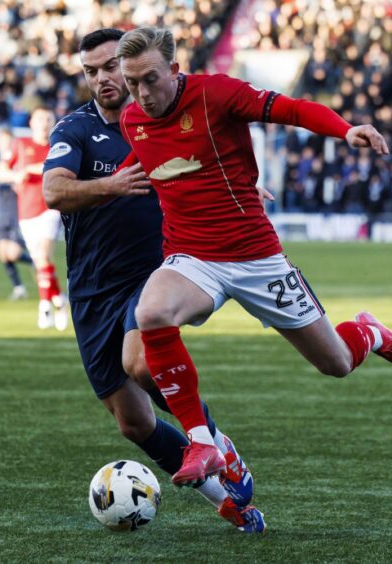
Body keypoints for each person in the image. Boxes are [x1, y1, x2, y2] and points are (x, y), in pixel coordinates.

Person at [115, 27, 392, 487]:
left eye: (150, 79)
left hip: (257, 258)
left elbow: (290, 109)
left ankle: (367, 333)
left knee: (334, 363)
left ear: (175, 71)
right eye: (132, 82)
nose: (141, 93)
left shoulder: (216, 92)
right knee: (151, 310)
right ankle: (202, 442)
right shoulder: (131, 119)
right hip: (193, 257)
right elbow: (154, 169)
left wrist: (344, 128)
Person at [42, 28, 265, 533]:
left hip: (155, 272)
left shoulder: (160, 119)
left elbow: (209, 160)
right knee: (133, 422)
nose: (102, 79)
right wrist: (110, 185)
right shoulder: (75, 131)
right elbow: (54, 191)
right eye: (91, 72)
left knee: (143, 363)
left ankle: (215, 444)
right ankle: (226, 501)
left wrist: (246, 186)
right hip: (92, 290)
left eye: (109, 68)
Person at [0, 107, 68, 330]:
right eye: (40, 119)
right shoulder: (20, 144)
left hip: (49, 207)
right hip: (25, 211)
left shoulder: (59, 145)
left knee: (44, 254)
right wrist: (16, 174)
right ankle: (59, 299)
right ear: (31, 123)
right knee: (39, 261)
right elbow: (1, 171)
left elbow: (58, 171)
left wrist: (31, 169)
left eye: (48, 119)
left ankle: (45, 305)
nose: (44, 123)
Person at [0, 128, 33, 300]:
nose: (4, 145)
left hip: (18, 212)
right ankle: (19, 288)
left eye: (7, 141)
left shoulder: (20, 162)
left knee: (14, 253)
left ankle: (36, 262)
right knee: (3, 253)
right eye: (1, 142)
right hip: (3, 212)